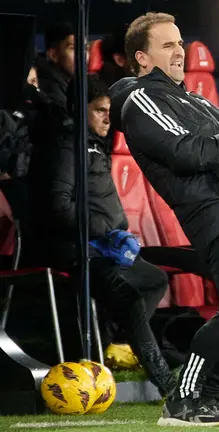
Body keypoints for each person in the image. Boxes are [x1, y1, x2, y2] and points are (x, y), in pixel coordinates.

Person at [111, 12, 219, 425]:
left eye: (180, 42)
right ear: (141, 56)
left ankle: (208, 396)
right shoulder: (142, 99)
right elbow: (188, 153)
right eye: (167, 45)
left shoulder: (195, 99)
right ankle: (180, 398)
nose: (179, 51)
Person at [24, 75, 175, 396]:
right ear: (81, 111)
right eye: (100, 110)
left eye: (109, 110)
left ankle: (115, 338)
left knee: (155, 279)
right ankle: (167, 384)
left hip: (106, 247)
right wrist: (104, 233)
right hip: (82, 251)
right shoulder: (68, 146)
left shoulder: (93, 144)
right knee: (132, 299)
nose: (108, 117)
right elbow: (58, 207)